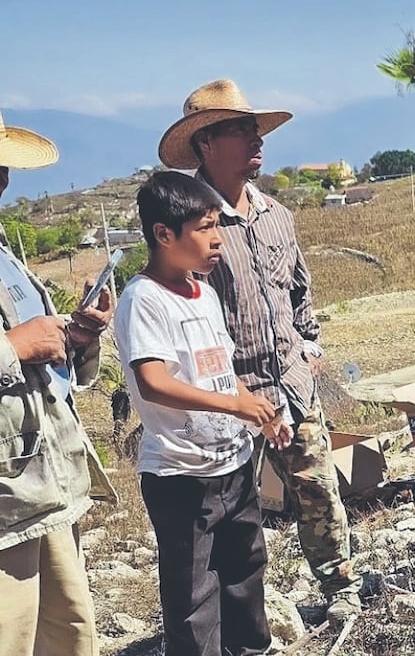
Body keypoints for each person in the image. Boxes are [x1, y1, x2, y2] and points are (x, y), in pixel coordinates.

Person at [157, 79, 363, 620]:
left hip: (291, 383)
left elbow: (299, 286)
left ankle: (340, 589)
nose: (256, 139)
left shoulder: (275, 214)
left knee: (319, 495)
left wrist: (309, 344)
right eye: (241, 129)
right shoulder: (191, 223)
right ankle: (242, 613)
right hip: (230, 398)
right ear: (206, 143)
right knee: (234, 514)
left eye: (255, 128)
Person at [115, 171, 292, 655]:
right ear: (163, 234)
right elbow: (154, 382)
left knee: (246, 570)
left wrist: (256, 412)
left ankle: (251, 648)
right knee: (194, 593)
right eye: (204, 228)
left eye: (217, 225)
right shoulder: (144, 300)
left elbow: (220, 368)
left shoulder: (205, 293)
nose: (217, 240)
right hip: (181, 476)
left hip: (232, 465)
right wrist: (235, 403)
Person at [0, 111, 117, 656]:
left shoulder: (6, 255)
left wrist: (79, 336)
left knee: (69, 634)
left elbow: (50, 366)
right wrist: (14, 347)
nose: (3, 178)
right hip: (6, 504)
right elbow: (19, 348)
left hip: (45, 484)